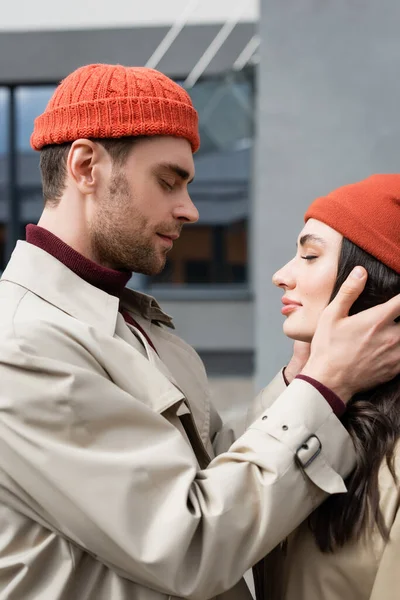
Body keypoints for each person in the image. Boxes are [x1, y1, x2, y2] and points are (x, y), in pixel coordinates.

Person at [0, 64, 399, 600]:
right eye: (168, 181)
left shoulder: (139, 326)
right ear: (86, 165)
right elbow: (187, 541)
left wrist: (299, 376)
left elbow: (217, 475)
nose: (189, 209)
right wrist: (324, 387)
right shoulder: (23, 343)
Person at [268, 174, 400, 600]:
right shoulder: (329, 412)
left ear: (371, 284)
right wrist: (303, 378)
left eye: (309, 255)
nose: (281, 276)